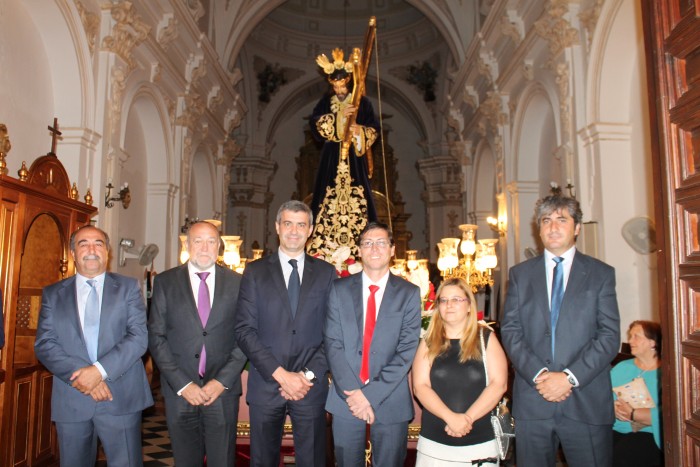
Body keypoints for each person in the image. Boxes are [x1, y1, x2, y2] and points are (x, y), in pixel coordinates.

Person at [501, 194, 621, 467]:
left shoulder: (601, 274)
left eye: (561, 220)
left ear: (577, 227)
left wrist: (568, 378)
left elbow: (609, 336)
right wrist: (540, 375)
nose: (553, 227)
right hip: (534, 401)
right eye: (546, 220)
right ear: (538, 227)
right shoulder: (520, 275)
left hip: (585, 401)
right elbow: (511, 330)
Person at [34, 225, 153, 467]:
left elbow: (138, 337)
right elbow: (45, 343)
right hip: (72, 396)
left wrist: (98, 371)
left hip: (119, 396)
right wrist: (84, 376)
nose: (91, 249)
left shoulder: (128, 288)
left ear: (107, 252)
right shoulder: (53, 294)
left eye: (98, 243)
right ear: (73, 253)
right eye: (83, 243)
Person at [235, 200, 337, 466]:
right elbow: (244, 329)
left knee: (313, 460)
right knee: (262, 461)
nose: (294, 230)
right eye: (288, 223)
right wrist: (280, 375)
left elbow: (334, 333)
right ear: (277, 227)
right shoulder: (255, 272)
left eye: (301, 224)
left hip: (310, 387)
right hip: (267, 384)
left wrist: (305, 375)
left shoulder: (326, 274)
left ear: (310, 229)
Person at [148, 221, 247, 466]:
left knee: (221, 460)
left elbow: (244, 337)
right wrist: (183, 384)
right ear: (187, 244)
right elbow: (156, 337)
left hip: (221, 393)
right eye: (198, 241)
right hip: (180, 392)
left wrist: (221, 381)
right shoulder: (165, 282)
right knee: (185, 460)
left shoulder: (239, 283)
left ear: (219, 246)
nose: (204, 247)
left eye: (211, 241)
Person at [324, 221, 421, 466]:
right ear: (359, 250)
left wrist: (369, 396)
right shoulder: (338, 289)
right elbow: (332, 343)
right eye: (367, 243)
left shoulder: (408, 293)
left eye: (381, 243)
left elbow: (407, 349)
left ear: (392, 250)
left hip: (390, 399)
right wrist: (354, 395)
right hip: (346, 399)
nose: (374, 248)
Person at [412, 277, 508, 466]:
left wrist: (467, 419)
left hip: (480, 442)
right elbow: (420, 387)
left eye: (456, 299)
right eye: (444, 300)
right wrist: (451, 418)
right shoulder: (428, 341)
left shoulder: (486, 338)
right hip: (434, 443)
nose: (449, 305)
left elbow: (499, 384)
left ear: (469, 306)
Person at [310, 48, 380, 224]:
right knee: (325, 195)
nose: (338, 89)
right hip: (331, 156)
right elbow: (314, 122)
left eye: (341, 86)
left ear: (348, 83)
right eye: (335, 86)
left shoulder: (362, 103)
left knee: (359, 193)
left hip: (354, 159)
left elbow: (373, 128)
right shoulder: (326, 102)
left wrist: (358, 131)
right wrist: (338, 119)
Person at [611, 321, 662, 467]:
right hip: (614, 428)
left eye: (636, 336)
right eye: (630, 336)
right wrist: (613, 407)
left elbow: (671, 412)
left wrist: (634, 413)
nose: (630, 341)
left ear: (653, 342)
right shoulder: (622, 367)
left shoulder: (667, 372)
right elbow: (603, 398)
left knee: (623, 457)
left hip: (649, 432)